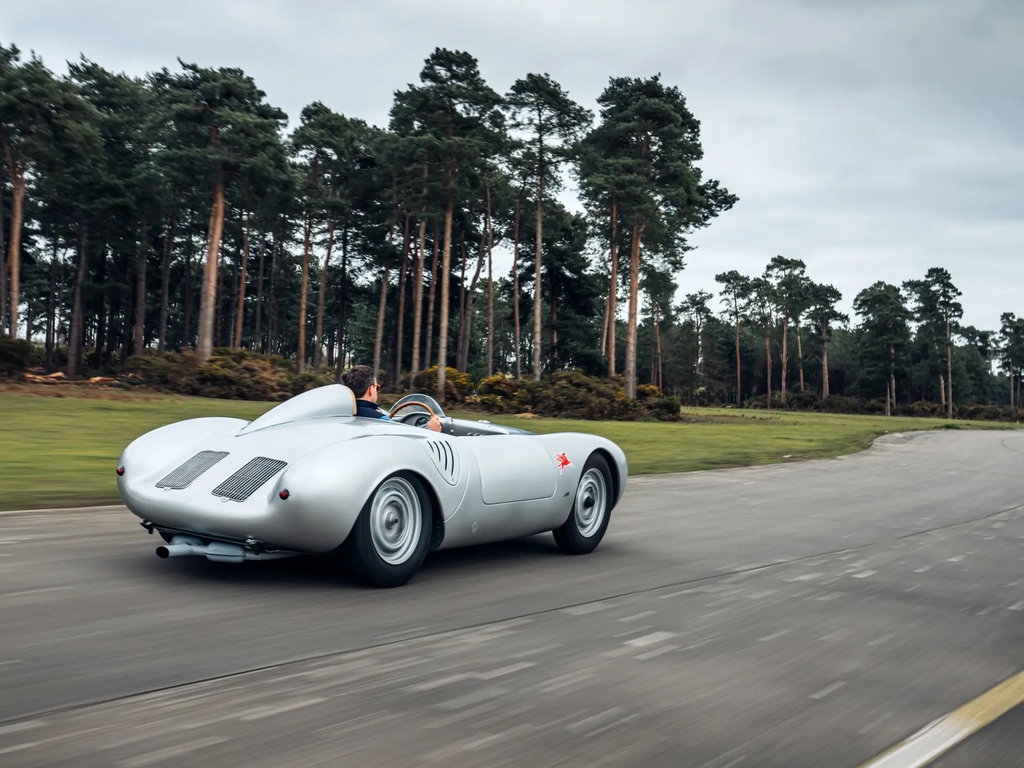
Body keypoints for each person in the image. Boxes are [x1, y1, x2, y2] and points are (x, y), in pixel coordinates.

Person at [340, 365, 442, 432]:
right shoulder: (381, 420)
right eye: (377, 387)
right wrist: (430, 431)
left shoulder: (342, 414)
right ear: (371, 390)